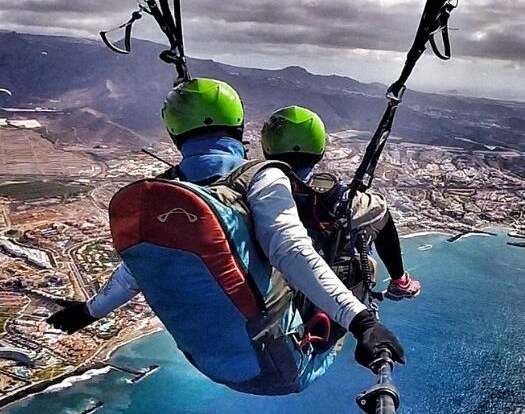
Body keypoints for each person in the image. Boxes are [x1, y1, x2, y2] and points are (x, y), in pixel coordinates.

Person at [47, 78, 404, 395]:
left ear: (173, 133)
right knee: (359, 265)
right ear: (239, 126)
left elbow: (134, 269)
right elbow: (292, 252)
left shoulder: (166, 194)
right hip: (284, 365)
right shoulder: (261, 178)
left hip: (212, 364)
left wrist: (88, 312)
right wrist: (363, 322)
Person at [260, 105, 421, 300]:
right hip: (331, 305)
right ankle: (401, 282)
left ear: (268, 146)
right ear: (319, 150)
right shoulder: (345, 200)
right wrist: (399, 278)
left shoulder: (255, 192)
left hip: (267, 298)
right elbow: (381, 214)